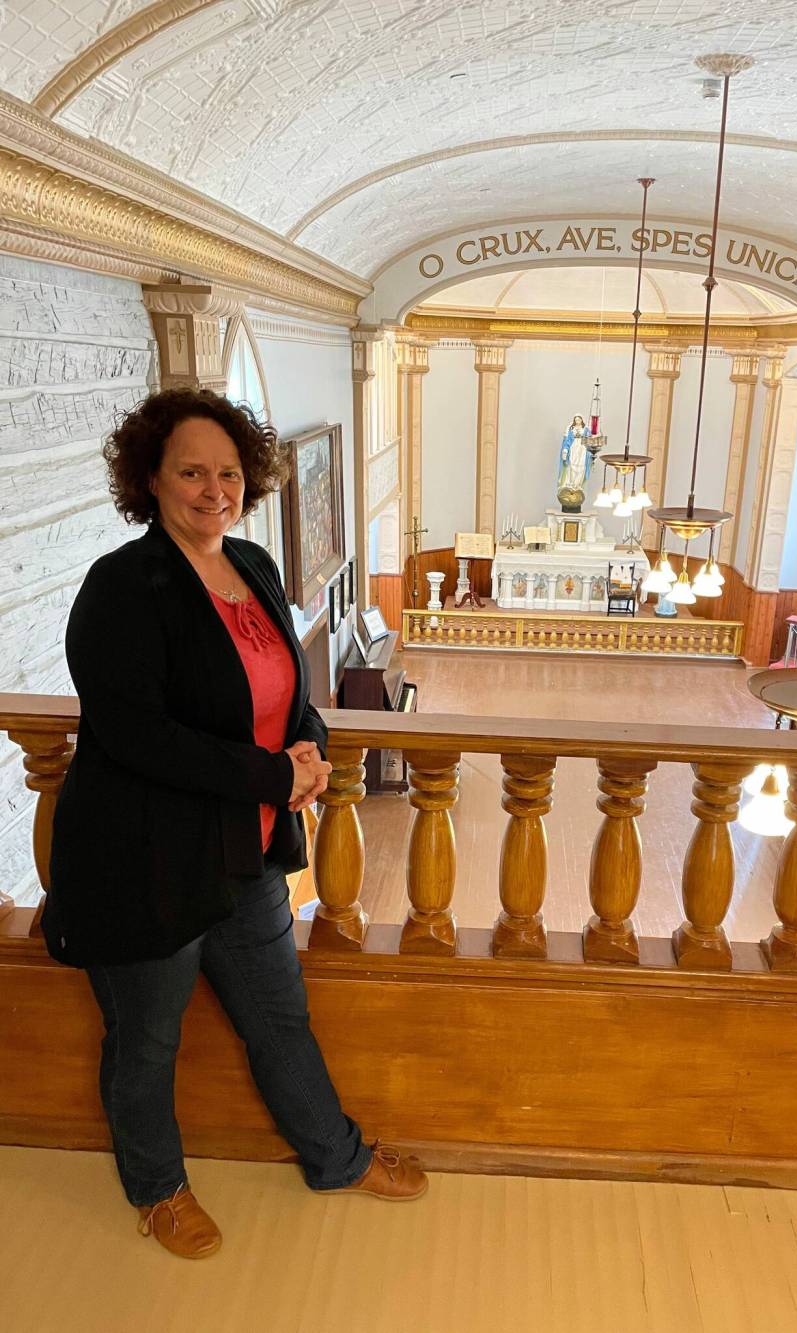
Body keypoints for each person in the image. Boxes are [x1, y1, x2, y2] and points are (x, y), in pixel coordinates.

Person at [43, 387, 427, 1260]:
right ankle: (158, 1187)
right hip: (147, 867)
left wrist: (311, 743)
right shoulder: (122, 588)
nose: (212, 488)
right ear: (152, 478)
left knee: (279, 1018)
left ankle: (335, 1157)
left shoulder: (252, 564)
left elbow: (285, 682)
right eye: (191, 471)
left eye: (226, 472)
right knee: (146, 1040)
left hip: (247, 858)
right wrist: (269, 773)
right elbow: (139, 735)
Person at [557, 413, 593, 492]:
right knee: (572, 464)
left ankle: (577, 484)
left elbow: (590, 440)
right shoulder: (571, 428)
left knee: (581, 465)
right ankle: (570, 483)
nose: (577, 421)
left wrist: (591, 451)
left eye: (579, 419)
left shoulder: (586, 429)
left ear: (582, 420)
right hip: (573, 448)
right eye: (576, 420)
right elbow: (568, 440)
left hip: (582, 449)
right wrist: (565, 450)